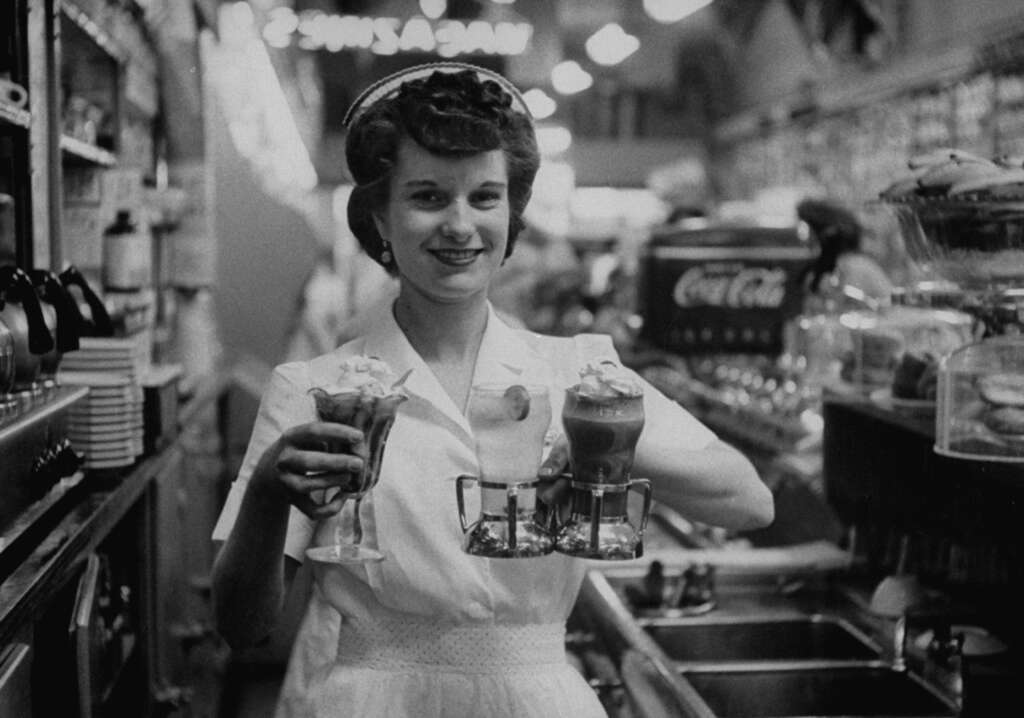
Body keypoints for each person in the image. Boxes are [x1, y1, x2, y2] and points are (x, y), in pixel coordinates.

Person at [211, 63, 773, 718]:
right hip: (371, 699)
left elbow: (750, 501)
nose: (460, 225)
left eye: (484, 197)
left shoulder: (579, 374)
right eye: (427, 197)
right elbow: (242, 627)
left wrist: (594, 445)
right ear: (380, 220)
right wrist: (266, 495)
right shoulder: (315, 390)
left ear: (512, 214)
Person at [796, 197, 894, 304]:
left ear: (827, 233)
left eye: (807, 229)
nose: (802, 235)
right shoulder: (817, 273)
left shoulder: (855, 268)